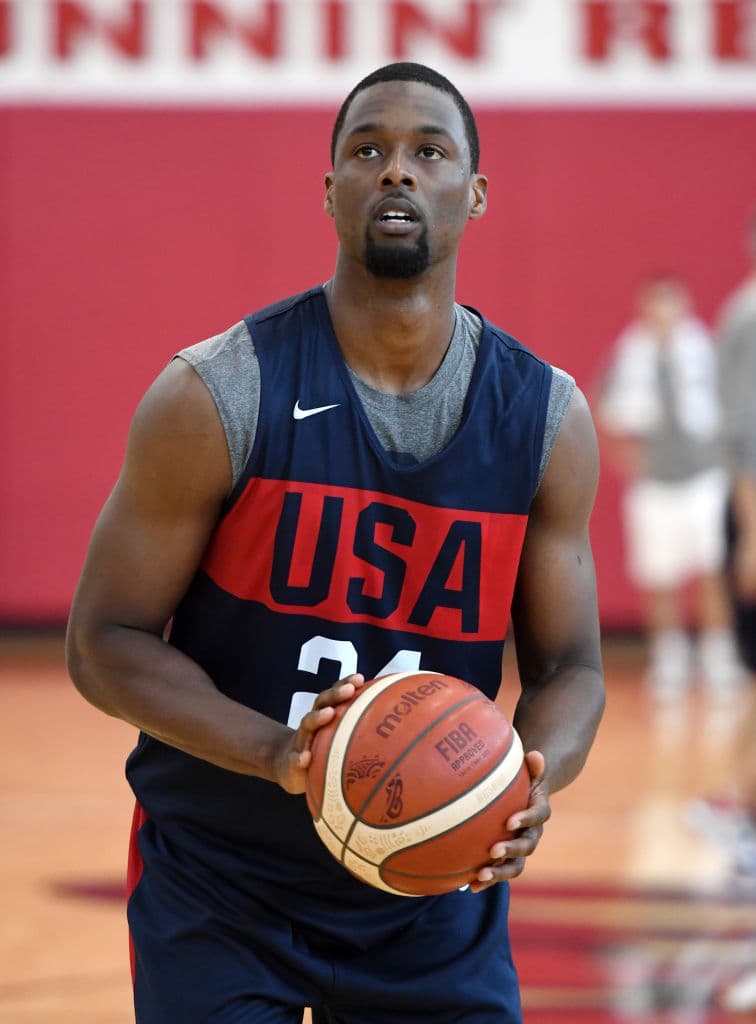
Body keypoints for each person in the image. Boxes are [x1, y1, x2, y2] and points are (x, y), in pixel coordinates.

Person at [66, 62, 605, 1024]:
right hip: (221, 881)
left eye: (428, 152)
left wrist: (523, 782)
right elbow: (104, 640)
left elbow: (571, 667)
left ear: (474, 195)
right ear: (331, 190)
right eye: (369, 151)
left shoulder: (544, 419)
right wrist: (280, 753)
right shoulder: (219, 392)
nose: (397, 172)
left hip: (432, 888)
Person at [595, 273, 742, 702]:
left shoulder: (705, 352)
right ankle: (669, 658)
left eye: (672, 305)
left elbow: (729, 408)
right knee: (658, 573)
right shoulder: (628, 355)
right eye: (656, 306)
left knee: (713, 569)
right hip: (655, 483)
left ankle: (717, 655)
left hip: (703, 478)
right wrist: (623, 455)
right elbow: (600, 404)